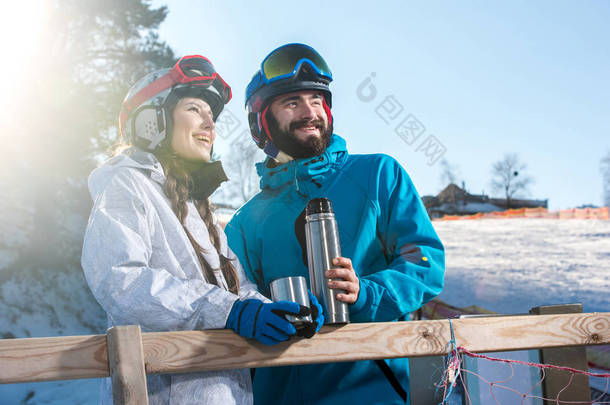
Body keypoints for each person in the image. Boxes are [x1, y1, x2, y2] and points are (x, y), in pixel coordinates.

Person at [81, 55, 323, 405]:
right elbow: (120, 280)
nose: (210, 124)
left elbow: (238, 291)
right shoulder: (126, 184)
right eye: (195, 109)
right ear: (153, 121)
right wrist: (227, 311)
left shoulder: (197, 208)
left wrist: (280, 311)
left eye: (212, 115)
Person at [225, 43, 445, 405]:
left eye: (316, 100)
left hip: (372, 391)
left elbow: (426, 262)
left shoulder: (377, 174)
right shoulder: (246, 221)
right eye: (292, 102)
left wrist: (366, 292)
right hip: (279, 394)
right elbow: (231, 296)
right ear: (261, 120)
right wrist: (250, 313)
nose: (310, 112)